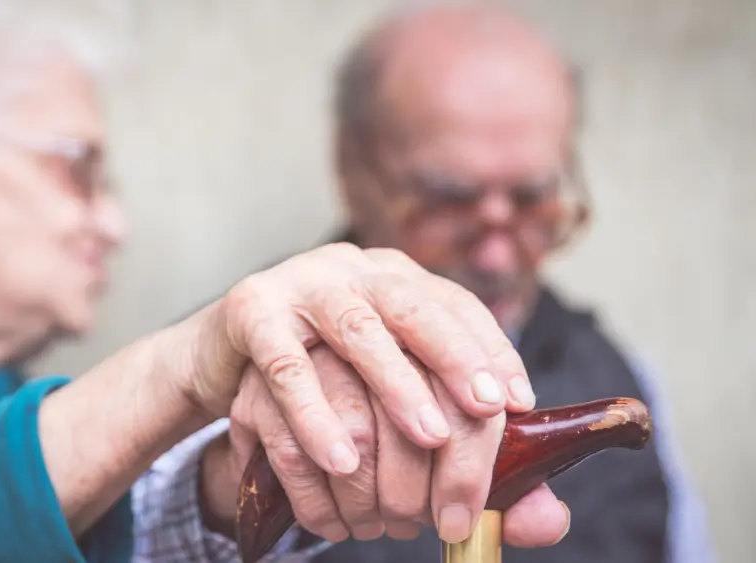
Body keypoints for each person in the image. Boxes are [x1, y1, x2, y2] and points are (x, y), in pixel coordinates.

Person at [0, 1, 571, 562]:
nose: (114, 224)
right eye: (78, 170)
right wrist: (172, 370)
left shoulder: (26, 406)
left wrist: (260, 470)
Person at [297, 3, 715, 563]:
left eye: (532, 198)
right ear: (352, 172)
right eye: (448, 200)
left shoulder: (621, 378)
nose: (496, 258)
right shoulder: (250, 387)